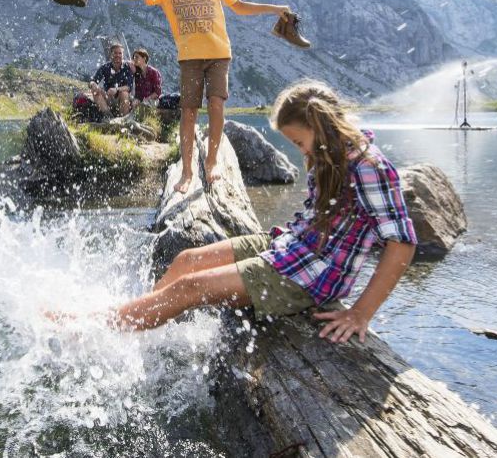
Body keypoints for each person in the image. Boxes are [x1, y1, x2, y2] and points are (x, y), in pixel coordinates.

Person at [107, 81, 417, 342]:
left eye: (298, 141)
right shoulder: (329, 153)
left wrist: (361, 312)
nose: (300, 150)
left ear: (320, 125)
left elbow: (402, 242)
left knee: (192, 286)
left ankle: (104, 328)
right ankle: (141, 323)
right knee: (187, 260)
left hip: (310, 277)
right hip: (289, 248)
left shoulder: (368, 165)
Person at [80, 0, 294, 192]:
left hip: (218, 55)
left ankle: (212, 162)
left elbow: (238, 6)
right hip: (190, 59)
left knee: (217, 104)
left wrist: (275, 9)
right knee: (189, 111)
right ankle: (188, 171)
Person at [90, 43, 134, 116]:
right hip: (108, 98)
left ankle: (123, 120)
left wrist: (116, 89)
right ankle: (108, 117)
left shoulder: (127, 67)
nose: (118, 55)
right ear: (111, 54)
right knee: (95, 91)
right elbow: (93, 81)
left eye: (120, 53)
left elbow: (129, 87)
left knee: (124, 93)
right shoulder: (105, 67)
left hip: (122, 99)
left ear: (122, 55)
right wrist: (93, 84)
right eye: (115, 53)